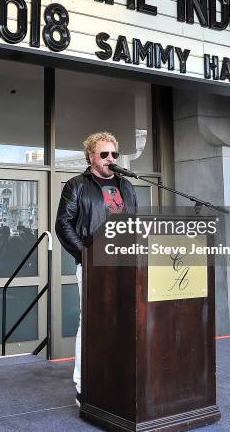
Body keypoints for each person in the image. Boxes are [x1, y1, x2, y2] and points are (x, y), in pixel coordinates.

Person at [55, 131, 138, 407]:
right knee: (91, 322)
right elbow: (63, 224)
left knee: (124, 321)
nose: (110, 159)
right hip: (93, 266)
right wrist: (86, 255)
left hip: (125, 265)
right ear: (91, 156)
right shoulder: (77, 185)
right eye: (104, 154)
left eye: (114, 154)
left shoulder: (126, 186)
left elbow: (135, 224)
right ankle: (84, 384)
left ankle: (118, 379)